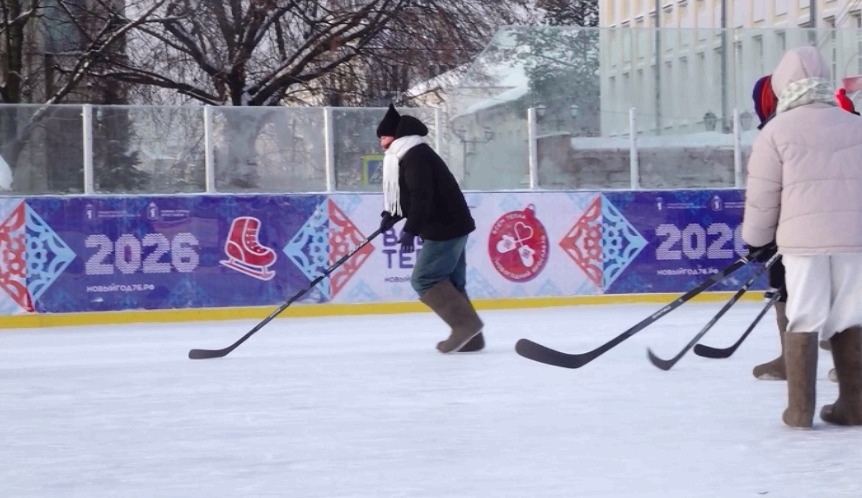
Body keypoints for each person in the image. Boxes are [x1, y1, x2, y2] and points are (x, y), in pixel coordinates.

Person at [743, 46, 862, 428]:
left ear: (782, 84)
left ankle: (799, 412)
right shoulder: (854, 124)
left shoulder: (777, 129)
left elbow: (763, 196)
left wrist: (757, 241)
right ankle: (854, 406)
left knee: (803, 317)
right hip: (856, 242)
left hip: (802, 245)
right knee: (851, 317)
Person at [376, 104, 485, 353]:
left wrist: (410, 229)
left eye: (384, 137)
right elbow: (407, 195)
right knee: (451, 283)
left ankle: (464, 327)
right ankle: (472, 337)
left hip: (444, 226)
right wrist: (391, 214)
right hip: (452, 223)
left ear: (396, 135)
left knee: (424, 279)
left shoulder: (415, 156)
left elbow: (422, 195)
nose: (382, 144)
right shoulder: (411, 154)